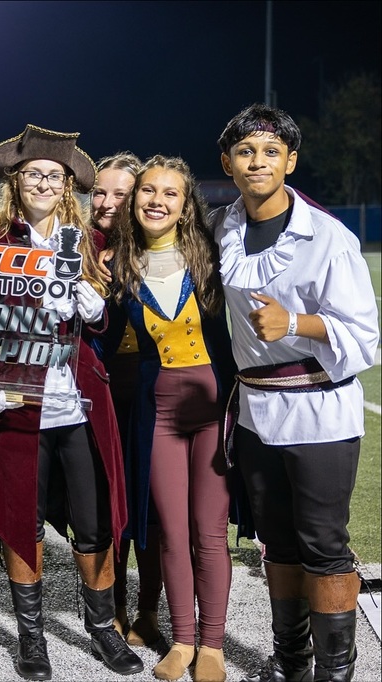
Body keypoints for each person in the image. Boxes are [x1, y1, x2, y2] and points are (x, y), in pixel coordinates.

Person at [211, 104, 379, 682]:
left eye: (270, 152)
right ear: (228, 163)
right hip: (255, 410)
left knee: (324, 545)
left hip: (321, 411)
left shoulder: (328, 237)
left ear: (291, 161)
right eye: (245, 152)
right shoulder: (222, 226)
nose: (258, 161)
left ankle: (336, 673)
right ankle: (291, 664)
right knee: (276, 542)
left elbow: (365, 336)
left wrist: (297, 323)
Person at [0, 126, 142, 681]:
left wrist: (96, 310)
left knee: (95, 522)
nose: (43, 183)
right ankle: (32, 636)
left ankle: (101, 629)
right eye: (33, 174)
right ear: (15, 183)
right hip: (18, 403)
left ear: (68, 185)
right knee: (22, 521)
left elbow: (108, 326)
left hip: (76, 403)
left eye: (54, 175)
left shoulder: (86, 241)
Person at [107, 155, 238, 682]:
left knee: (209, 532)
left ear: (186, 207)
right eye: (147, 191)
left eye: (170, 193)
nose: (157, 200)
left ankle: (213, 644)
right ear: (134, 200)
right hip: (158, 411)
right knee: (170, 533)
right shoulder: (119, 263)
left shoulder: (213, 255)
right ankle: (182, 639)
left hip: (211, 409)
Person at [92, 153, 166, 646]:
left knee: (151, 500)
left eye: (122, 193)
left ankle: (148, 610)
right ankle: (112, 604)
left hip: (151, 385)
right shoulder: (78, 242)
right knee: (107, 500)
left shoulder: (159, 247)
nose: (109, 203)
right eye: (101, 192)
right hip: (99, 385)